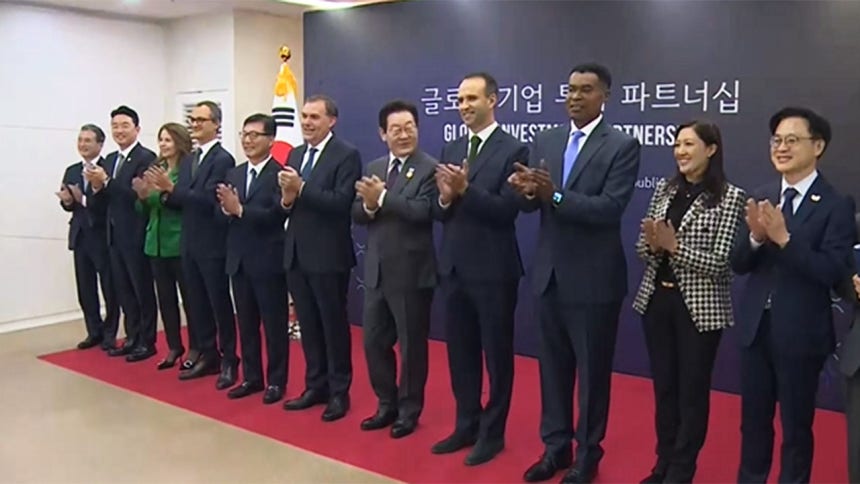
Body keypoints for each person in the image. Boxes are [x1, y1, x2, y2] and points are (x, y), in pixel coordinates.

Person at [509, 63, 641, 483]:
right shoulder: (546, 139)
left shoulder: (621, 145)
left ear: (605, 96)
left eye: (585, 90)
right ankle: (555, 448)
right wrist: (528, 193)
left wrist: (555, 195)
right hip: (548, 275)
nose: (575, 97)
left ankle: (588, 454)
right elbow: (535, 203)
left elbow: (610, 209)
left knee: (592, 375)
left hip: (594, 281)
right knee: (552, 370)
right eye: (570, 89)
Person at [730, 106, 855, 483]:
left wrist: (785, 239)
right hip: (756, 330)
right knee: (753, 423)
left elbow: (831, 272)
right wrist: (756, 238)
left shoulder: (836, 205)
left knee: (796, 429)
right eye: (776, 141)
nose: (781, 148)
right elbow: (739, 263)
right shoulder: (762, 196)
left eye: (792, 140)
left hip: (801, 335)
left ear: (817, 146)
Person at [632, 120, 745, 483]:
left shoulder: (730, 197)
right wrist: (653, 245)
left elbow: (722, 264)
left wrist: (675, 248)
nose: (680, 151)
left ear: (711, 149)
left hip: (698, 310)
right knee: (665, 388)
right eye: (677, 144)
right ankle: (662, 463)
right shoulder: (665, 190)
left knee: (692, 392)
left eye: (688, 144)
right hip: (657, 302)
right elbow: (642, 248)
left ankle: (682, 470)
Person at [430, 72, 528, 466]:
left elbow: (507, 210)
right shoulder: (452, 146)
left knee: (497, 356)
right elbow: (440, 210)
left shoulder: (514, 148)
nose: (464, 106)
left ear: (493, 100)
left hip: (494, 271)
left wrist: (466, 191)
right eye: (459, 100)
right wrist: (445, 198)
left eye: (472, 98)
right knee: (460, 353)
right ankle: (466, 424)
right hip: (454, 267)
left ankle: (493, 433)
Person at [352, 100, 437, 439]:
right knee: (373, 342)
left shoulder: (429, 168)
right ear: (382, 134)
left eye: (409, 128)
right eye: (396, 129)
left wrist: (383, 198)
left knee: (411, 347)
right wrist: (370, 205)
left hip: (412, 273)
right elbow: (357, 212)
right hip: (377, 271)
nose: (403, 135)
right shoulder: (374, 166)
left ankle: (409, 410)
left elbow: (422, 211)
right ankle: (386, 403)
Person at [279, 95, 362, 422]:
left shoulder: (346, 154)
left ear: (332, 120)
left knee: (332, 326)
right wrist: (287, 199)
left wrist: (301, 188)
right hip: (296, 253)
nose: (307, 122)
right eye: (304, 116)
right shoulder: (296, 154)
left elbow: (341, 203)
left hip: (329, 256)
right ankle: (315, 385)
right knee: (309, 326)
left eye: (314, 117)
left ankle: (339, 392)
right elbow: (288, 205)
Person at [156, 101, 238, 389]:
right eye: (192, 120)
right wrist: (165, 194)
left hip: (212, 243)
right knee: (197, 303)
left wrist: (172, 189)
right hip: (189, 242)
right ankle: (207, 353)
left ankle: (230, 359)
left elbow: (208, 200)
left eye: (201, 120)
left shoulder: (222, 159)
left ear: (216, 124)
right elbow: (183, 200)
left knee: (219, 304)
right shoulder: (191, 158)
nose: (194, 125)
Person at [217, 114, 289, 405]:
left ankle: (276, 381)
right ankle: (251, 377)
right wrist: (226, 210)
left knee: (273, 326)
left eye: (254, 135)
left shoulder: (280, 174)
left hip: (269, 261)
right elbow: (220, 212)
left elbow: (276, 215)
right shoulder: (234, 173)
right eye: (244, 135)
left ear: (270, 140)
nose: (247, 140)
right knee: (246, 324)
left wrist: (240, 210)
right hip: (238, 260)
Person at [85, 105, 158, 362]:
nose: (119, 130)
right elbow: (103, 200)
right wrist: (96, 187)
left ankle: (147, 341)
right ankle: (131, 337)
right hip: (113, 235)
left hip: (135, 233)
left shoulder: (146, 158)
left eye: (125, 125)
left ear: (137, 129)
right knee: (123, 290)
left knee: (142, 289)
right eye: (115, 126)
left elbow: (136, 196)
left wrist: (107, 182)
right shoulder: (109, 160)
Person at [57, 124, 119, 351]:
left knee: (109, 288)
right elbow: (70, 205)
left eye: (88, 140)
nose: (82, 144)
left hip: (103, 235)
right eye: (80, 140)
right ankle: (94, 331)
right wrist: (67, 201)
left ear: (100, 144)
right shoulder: (72, 170)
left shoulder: (107, 168)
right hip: (80, 235)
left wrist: (82, 199)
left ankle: (110, 333)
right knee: (85, 288)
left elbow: (107, 203)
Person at [135, 123, 191, 370]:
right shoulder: (156, 168)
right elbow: (143, 208)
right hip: (154, 243)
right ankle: (173, 346)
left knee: (189, 300)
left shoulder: (186, 170)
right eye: (161, 140)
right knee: (166, 300)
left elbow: (180, 201)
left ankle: (196, 347)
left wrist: (157, 194)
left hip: (177, 241)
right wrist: (142, 196)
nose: (163, 144)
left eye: (168, 140)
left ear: (179, 141)